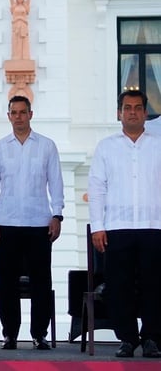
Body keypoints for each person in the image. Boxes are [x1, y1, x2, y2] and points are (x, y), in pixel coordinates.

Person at [0, 95, 64, 350]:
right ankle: (10, 334)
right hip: (7, 224)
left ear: (31, 114)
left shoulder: (47, 146)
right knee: (7, 283)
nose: (18, 117)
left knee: (42, 282)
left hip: (39, 222)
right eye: (14, 113)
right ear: (8, 116)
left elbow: (56, 183)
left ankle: (39, 334)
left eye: (22, 112)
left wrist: (57, 214)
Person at [88, 89, 161, 358]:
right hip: (117, 227)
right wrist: (97, 225)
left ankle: (152, 338)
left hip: (154, 226)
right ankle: (128, 339)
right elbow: (97, 187)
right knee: (120, 286)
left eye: (138, 107)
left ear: (145, 112)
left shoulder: (158, 145)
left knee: (155, 285)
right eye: (127, 107)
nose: (132, 112)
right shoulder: (106, 147)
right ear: (119, 113)